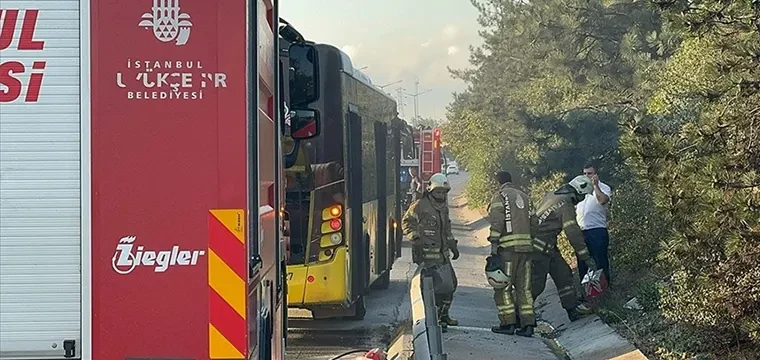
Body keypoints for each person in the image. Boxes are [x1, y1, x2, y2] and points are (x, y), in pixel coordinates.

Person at [531, 175, 597, 321]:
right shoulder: (566, 203)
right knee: (536, 284)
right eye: (584, 196)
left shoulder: (553, 195)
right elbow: (572, 232)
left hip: (547, 246)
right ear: (579, 191)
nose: (582, 199)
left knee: (563, 274)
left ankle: (572, 309)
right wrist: (585, 257)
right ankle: (521, 314)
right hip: (539, 248)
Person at [402, 173, 460, 330]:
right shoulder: (420, 205)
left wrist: (452, 245)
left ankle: (443, 315)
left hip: (442, 255)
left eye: (443, 192)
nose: (441, 195)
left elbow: (446, 230)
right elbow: (407, 222)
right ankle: (436, 319)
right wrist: (416, 239)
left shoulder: (443, 209)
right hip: (427, 255)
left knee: (451, 284)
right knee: (438, 287)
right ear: (431, 191)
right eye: (438, 192)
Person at [486, 171, 536, 337]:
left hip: (508, 251)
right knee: (525, 289)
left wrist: (494, 245)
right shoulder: (525, 197)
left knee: (503, 288)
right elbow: (534, 223)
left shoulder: (499, 196)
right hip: (527, 251)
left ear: (498, 183)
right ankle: (528, 325)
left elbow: (497, 221)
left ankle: (508, 323)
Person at [575, 164, 612, 283]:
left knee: (600, 261)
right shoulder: (580, 190)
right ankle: (587, 292)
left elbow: (602, 200)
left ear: (596, 174)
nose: (586, 176)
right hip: (581, 231)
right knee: (582, 263)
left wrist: (595, 186)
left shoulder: (604, 187)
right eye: (584, 173)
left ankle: (605, 287)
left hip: (597, 230)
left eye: (589, 173)